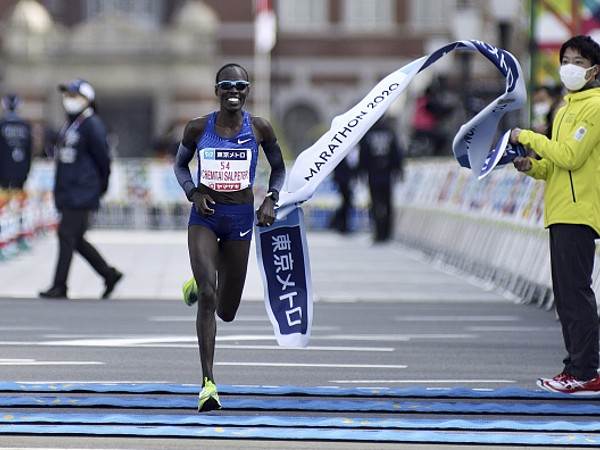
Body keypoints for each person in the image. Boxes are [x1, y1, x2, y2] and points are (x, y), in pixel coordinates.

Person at [173, 63, 285, 412]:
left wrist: (272, 198)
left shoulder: (260, 128)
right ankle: (208, 384)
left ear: (248, 90)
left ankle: (197, 281)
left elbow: (279, 169)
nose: (233, 91)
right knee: (209, 295)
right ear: (217, 90)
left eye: (240, 85)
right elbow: (180, 166)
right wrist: (193, 193)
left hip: (239, 220)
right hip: (204, 218)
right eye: (226, 85)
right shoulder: (197, 128)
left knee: (227, 310)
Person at [510, 35, 600, 394]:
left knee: (576, 293)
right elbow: (554, 166)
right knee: (565, 295)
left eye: (578, 62)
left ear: (594, 69)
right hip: (560, 210)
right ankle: (576, 368)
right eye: (566, 60)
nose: (570, 67)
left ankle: (585, 370)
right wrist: (530, 166)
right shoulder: (565, 109)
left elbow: (571, 157)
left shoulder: (594, 106)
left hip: (580, 211)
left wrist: (529, 136)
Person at [39, 79, 123, 300]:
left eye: (74, 96)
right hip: (68, 189)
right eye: (67, 95)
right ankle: (109, 274)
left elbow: (103, 159)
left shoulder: (92, 124)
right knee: (74, 238)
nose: (69, 100)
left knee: (66, 234)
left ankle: (59, 285)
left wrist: (100, 186)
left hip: (82, 190)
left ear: (88, 100)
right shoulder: (70, 124)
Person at [359, 116, 404, 243]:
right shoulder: (389, 132)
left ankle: (377, 232)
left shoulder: (368, 133)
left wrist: (361, 170)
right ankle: (387, 232)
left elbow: (363, 154)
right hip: (387, 174)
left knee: (375, 204)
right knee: (388, 203)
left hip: (373, 174)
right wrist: (398, 169)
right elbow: (396, 152)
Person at [0, 94, 32, 191]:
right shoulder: (25, 126)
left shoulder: (2, 125)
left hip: (4, 171)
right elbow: (29, 151)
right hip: (20, 170)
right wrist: (26, 171)